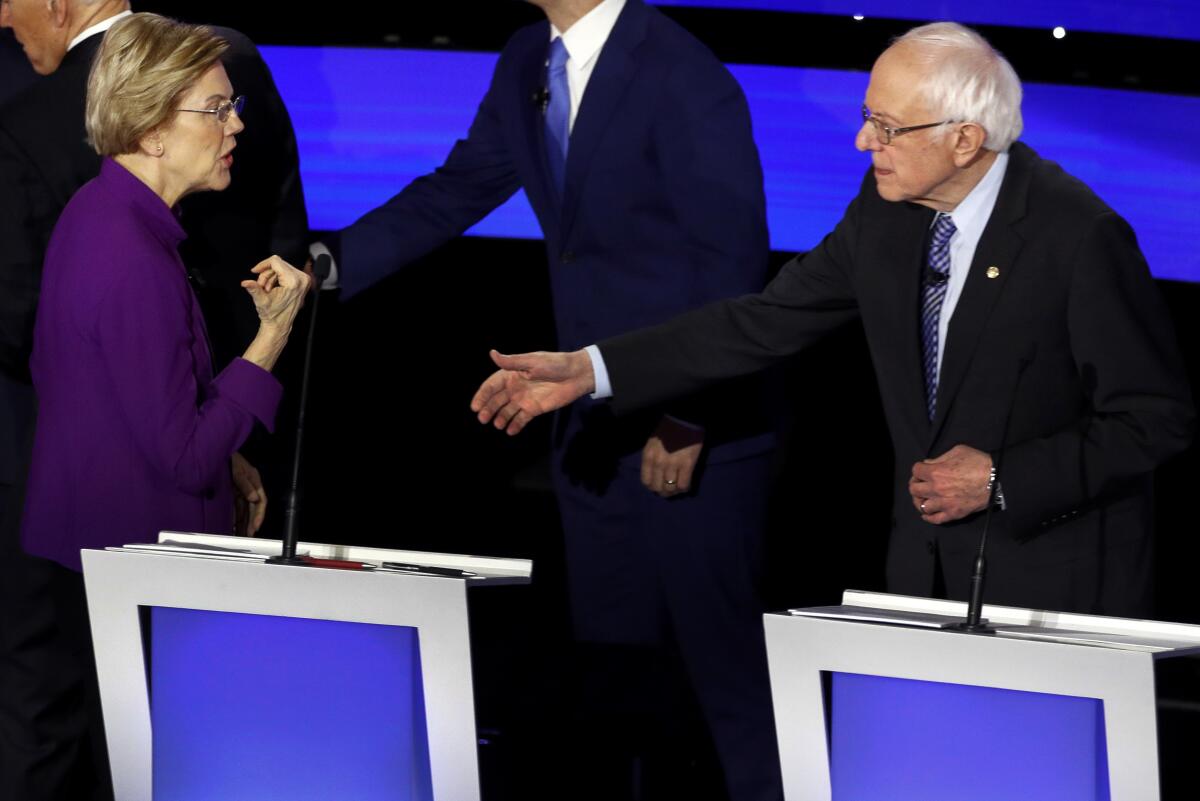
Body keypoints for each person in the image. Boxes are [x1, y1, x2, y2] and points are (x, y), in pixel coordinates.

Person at [472, 21, 1194, 620]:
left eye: (886, 127)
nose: (862, 144)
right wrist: (589, 367)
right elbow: (760, 320)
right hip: (922, 575)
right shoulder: (885, 212)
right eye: (865, 119)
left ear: (965, 141)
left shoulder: (1078, 237)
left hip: (1052, 588)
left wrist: (1002, 476)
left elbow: (1154, 419)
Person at [321, 1, 781, 797]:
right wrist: (328, 265)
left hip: (693, 428)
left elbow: (734, 268)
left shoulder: (685, 74)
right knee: (612, 678)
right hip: (589, 425)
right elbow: (456, 190)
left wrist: (690, 411)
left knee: (723, 680)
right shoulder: (528, 56)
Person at [7, 14, 309, 800]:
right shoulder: (130, 254)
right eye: (214, 109)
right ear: (150, 129)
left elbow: (113, 393)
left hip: (102, 554)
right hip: (140, 562)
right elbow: (181, 455)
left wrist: (231, 447)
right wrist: (270, 338)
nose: (235, 124)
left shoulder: (103, 216)